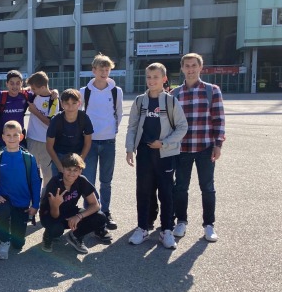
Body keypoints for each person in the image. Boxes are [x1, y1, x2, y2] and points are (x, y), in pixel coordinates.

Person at [125, 63, 188, 249]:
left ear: (164, 79)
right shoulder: (139, 101)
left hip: (166, 154)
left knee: (166, 192)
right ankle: (142, 228)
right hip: (144, 153)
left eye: (156, 77)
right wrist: (130, 149)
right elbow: (132, 127)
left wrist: (165, 143)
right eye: (149, 77)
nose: (152, 81)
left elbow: (182, 127)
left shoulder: (171, 101)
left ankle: (166, 231)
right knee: (143, 191)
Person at [171, 53, 226, 242]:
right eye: (187, 66)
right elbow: (171, 123)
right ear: (182, 68)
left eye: (194, 65)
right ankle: (181, 221)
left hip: (205, 147)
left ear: (200, 67)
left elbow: (218, 119)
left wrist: (218, 144)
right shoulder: (175, 93)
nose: (191, 69)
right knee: (180, 187)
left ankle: (209, 225)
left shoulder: (212, 91)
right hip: (182, 149)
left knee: (207, 187)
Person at [80, 54, 124, 230]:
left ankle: (105, 212)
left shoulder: (116, 91)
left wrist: (111, 130)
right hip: (89, 142)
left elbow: (119, 113)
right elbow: (80, 113)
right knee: (88, 180)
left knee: (106, 181)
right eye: (101, 69)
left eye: (107, 69)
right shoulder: (85, 91)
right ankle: (89, 213)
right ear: (94, 71)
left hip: (108, 142)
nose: (104, 72)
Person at [0, 120, 42, 259]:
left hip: (22, 202)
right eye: (8, 135)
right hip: (4, 199)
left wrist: (35, 205)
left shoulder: (29, 159)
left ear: (21, 137)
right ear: (3, 137)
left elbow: (36, 182)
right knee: (3, 209)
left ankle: (14, 228)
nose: (11, 138)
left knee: (18, 244)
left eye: (15, 135)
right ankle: (3, 240)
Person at [39, 153, 110, 254]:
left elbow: (95, 205)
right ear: (63, 169)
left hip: (70, 211)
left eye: (75, 170)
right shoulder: (55, 183)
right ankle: (48, 235)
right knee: (56, 230)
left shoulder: (81, 180)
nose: (72, 173)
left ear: (80, 171)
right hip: (51, 214)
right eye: (68, 169)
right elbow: (54, 215)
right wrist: (56, 204)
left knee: (100, 217)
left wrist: (79, 216)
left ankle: (75, 236)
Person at [46, 89, 94, 177]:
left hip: (79, 154)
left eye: (74, 103)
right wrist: (60, 167)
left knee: (82, 186)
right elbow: (49, 146)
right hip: (59, 155)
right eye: (67, 103)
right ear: (61, 104)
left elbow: (88, 143)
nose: (70, 107)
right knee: (58, 187)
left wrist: (80, 163)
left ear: (79, 103)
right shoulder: (56, 120)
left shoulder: (84, 118)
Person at [25, 71, 59, 191]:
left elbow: (50, 122)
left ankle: (45, 200)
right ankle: (32, 201)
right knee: (31, 173)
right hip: (32, 140)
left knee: (48, 175)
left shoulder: (54, 100)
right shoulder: (33, 95)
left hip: (47, 143)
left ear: (43, 87)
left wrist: (35, 111)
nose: (31, 90)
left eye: (34, 88)